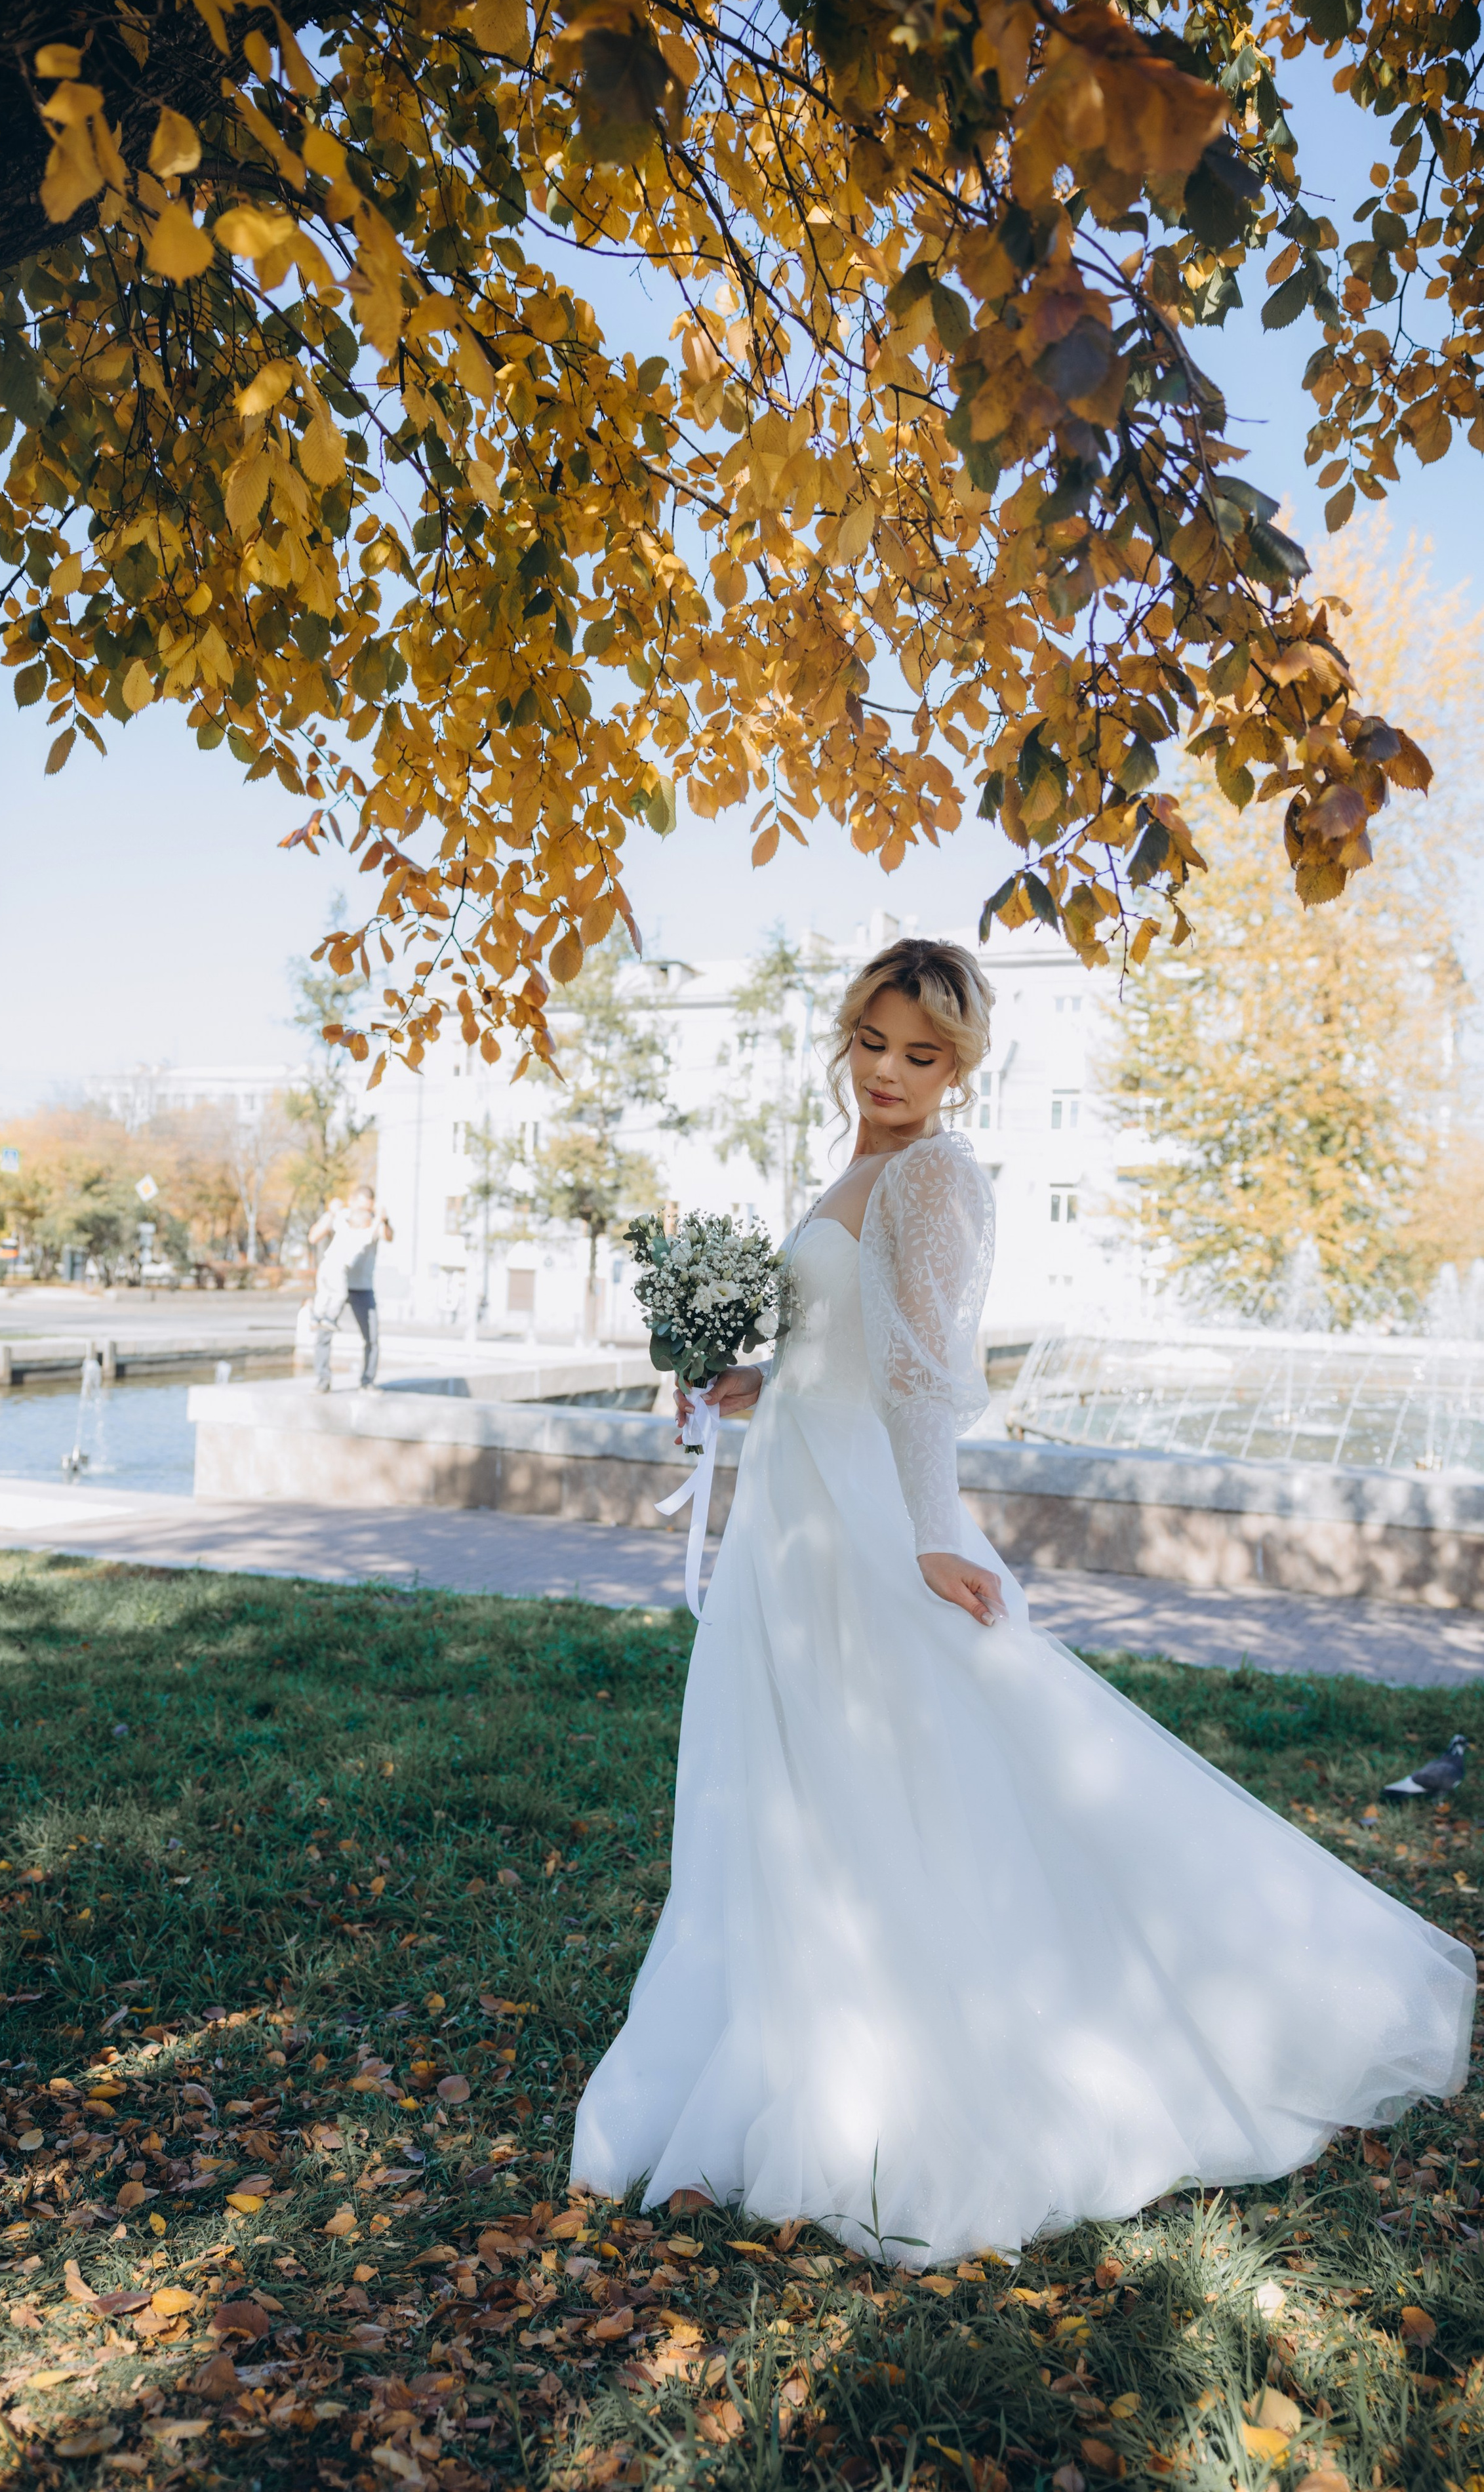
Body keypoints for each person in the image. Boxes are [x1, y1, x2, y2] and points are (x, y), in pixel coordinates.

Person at [571, 937, 1475, 2266]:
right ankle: (790, 2024)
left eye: (920, 1055)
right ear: (846, 1036)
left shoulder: (935, 1175)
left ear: (960, 1068)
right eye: (872, 1043)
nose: (889, 1073)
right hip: (795, 1519)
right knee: (795, 1784)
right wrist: (746, 1383)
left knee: (912, 1772)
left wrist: (935, 1539)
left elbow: (925, 1377)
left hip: (870, 1524)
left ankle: (958, 2044)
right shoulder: (854, 1165)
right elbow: (840, 1354)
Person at [309, 1184, 393, 1392]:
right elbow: (314, 1237)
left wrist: (383, 1218)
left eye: (369, 1208)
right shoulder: (341, 1218)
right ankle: (322, 1381)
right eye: (362, 1207)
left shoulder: (373, 1221)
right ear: (352, 1201)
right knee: (324, 1332)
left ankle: (367, 1382)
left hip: (362, 1287)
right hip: (336, 1283)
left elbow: (389, 1236)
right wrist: (331, 1212)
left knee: (371, 1338)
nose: (365, 1212)